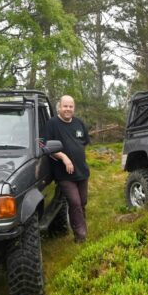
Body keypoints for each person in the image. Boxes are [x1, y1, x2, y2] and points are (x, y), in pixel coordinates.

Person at [45, 95, 90, 243]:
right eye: (65, 106)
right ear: (59, 107)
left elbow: (83, 142)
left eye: (70, 106)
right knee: (75, 203)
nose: (68, 109)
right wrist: (64, 157)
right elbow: (46, 146)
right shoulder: (52, 124)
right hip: (64, 174)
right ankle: (81, 237)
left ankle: (80, 226)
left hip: (82, 172)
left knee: (82, 202)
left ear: (74, 108)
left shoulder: (79, 123)